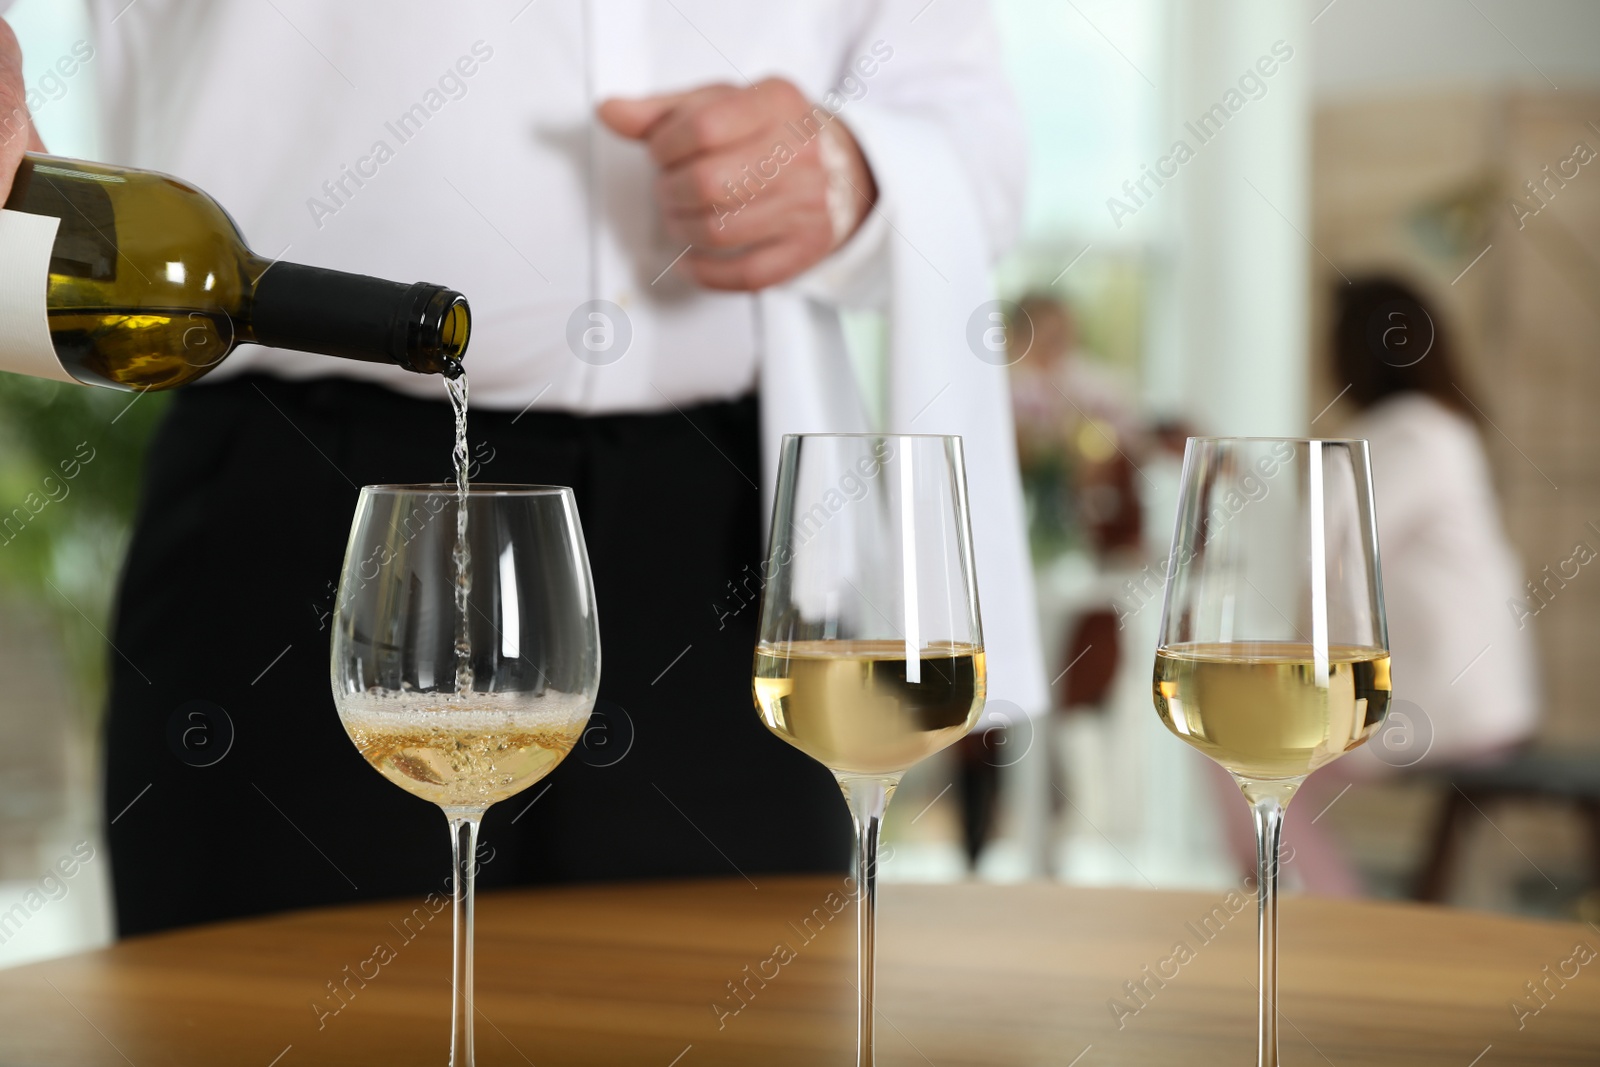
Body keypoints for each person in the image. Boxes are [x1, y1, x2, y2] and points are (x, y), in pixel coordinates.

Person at [0, 2, 1046, 935]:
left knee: (746, 1029)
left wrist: (851, 172)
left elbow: (972, 122)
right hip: (296, 522)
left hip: (717, 552)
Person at [1216, 275, 1540, 895]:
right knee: (1250, 751)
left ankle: (1324, 913)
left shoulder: (1412, 434)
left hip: (1452, 706)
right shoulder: (1437, 430)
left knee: (1238, 747)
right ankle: (1314, 906)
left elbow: (1331, 553)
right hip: (1475, 696)